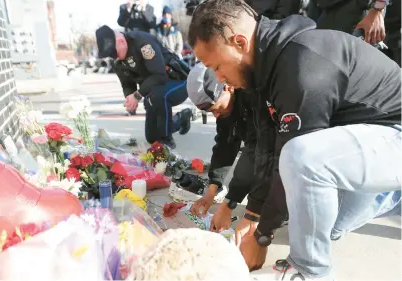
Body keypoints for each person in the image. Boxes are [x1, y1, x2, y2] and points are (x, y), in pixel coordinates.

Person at [187, 0, 401, 280]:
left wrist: (262, 235)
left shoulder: (301, 66)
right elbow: (266, 147)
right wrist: (253, 217)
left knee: (301, 156)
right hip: (369, 139)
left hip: (393, 132)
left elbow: (291, 155)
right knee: (328, 225)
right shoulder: (268, 69)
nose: (220, 78)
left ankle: (309, 270)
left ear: (239, 42)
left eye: (217, 66)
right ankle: (391, 196)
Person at [187, 62, 260, 232]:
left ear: (228, 88)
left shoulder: (253, 94)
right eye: (211, 111)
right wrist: (212, 190)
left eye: (216, 108)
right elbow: (225, 145)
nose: (216, 115)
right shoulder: (226, 106)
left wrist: (229, 204)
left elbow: (256, 151)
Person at [95, 25, 193, 149]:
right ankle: (181, 118)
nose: (115, 57)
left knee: (157, 95)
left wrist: (137, 95)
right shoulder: (117, 61)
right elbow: (127, 84)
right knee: (152, 137)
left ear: (121, 41)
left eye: (115, 53)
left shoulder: (143, 43)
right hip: (153, 91)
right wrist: (130, 98)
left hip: (177, 82)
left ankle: (166, 140)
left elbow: (159, 75)